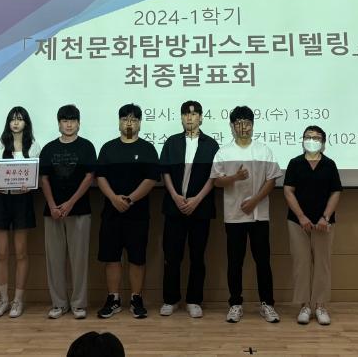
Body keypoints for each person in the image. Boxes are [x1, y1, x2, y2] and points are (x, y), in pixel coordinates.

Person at [211, 105, 282, 324]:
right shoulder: (224, 152)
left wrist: (254, 201)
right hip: (234, 216)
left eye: (247, 123)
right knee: (235, 262)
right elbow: (216, 181)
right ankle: (235, 304)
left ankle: (267, 304)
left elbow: (272, 180)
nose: (243, 127)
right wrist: (235, 177)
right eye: (239, 123)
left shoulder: (264, 150)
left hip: (259, 214)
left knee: (263, 261)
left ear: (253, 125)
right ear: (232, 126)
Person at [95, 103, 160, 319]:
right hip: (111, 212)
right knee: (111, 257)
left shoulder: (147, 149)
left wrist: (130, 199)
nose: (129, 123)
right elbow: (100, 177)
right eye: (125, 119)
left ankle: (136, 299)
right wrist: (114, 198)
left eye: (133, 119)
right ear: (119, 122)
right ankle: (113, 299)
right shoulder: (108, 148)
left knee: (137, 258)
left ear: (140, 123)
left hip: (138, 214)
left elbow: (151, 179)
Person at [158, 100, 219, 318]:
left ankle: (194, 300)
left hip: (200, 209)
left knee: (197, 256)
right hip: (174, 207)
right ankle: (170, 299)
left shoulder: (211, 144)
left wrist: (197, 199)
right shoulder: (172, 142)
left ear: (201, 118)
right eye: (185, 114)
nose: (189, 118)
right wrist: (175, 196)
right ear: (181, 118)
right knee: (172, 256)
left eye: (194, 114)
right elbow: (165, 171)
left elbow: (214, 176)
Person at [40, 104, 97, 320]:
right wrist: (53, 205)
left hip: (79, 210)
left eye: (73, 120)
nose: (69, 124)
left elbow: (89, 177)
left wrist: (70, 203)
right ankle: (59, 304)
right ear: (59, 124)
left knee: (79, 260)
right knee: (54, 260)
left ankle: (79, 304)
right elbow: (44, 179)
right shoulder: (48, 148)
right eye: (65, 120)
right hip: (52, 212)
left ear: (79, 123)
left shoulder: (87, 147)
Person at [283, 125, 342, 325]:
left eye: (316, 138)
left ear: (323, 143)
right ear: (302, 141)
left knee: (322, 264)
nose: (312, 140)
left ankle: (320, 305)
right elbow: (288, 191)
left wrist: (325, 217)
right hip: (297, 222)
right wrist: (301, 217)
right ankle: (305, 306)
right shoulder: (295, 163)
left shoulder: (329, 164)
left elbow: (336, 192)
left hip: (323, 223)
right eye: (308, 137)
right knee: (301, 263)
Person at [0, 105, 40, 318]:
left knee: (21, 252)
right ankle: (3, 300)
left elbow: (34, 175)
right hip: (1, 200)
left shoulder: (33, 145)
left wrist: (30, 185)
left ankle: (18, 300)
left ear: (26, 122)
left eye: (20, 119)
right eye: (12, 119)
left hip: (22, 201)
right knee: (0, 252)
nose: (16, 123)